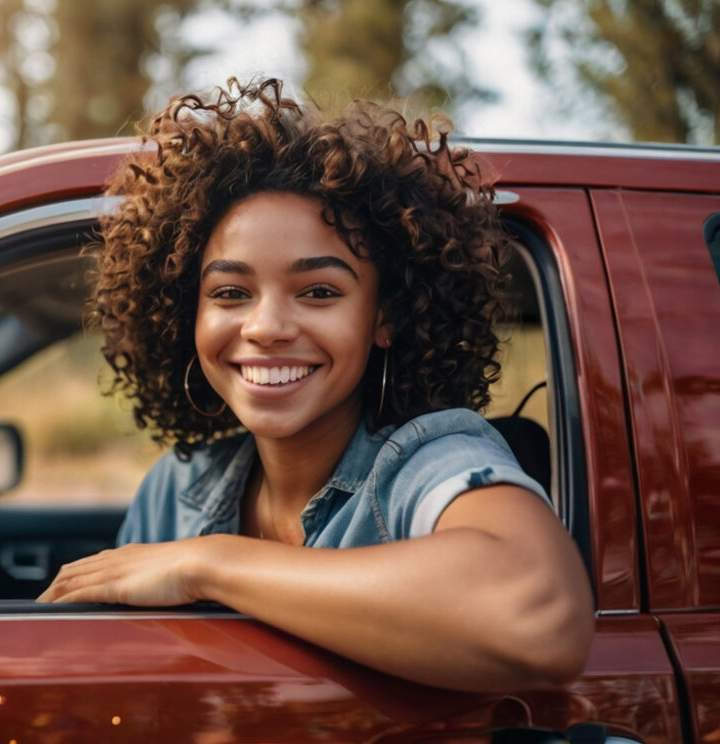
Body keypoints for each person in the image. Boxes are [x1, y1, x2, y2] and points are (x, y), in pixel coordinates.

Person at [37, 78, 594, 693]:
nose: (267, 327)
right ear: (185, 315)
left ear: (384, 317)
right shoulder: (177, 487)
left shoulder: (427, 466)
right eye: (229, 293)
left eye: (320, 292)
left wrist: (210, 563)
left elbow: (541, 616)